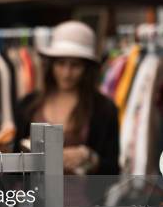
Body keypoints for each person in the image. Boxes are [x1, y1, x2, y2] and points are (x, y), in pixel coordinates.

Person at [14, 20, 120, 175]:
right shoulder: (28, 104)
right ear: (51, 65)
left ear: (86, 68)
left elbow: (112, 169)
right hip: (32, 197)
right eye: (61, 63)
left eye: (75, 65)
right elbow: (14, 167)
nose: (66, 73)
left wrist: (89, 157)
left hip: (84, 198)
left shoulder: (104, 108)